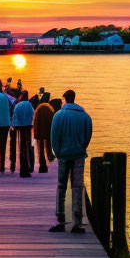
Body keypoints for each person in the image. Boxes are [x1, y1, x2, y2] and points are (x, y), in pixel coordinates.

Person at [49, 89, 92, 233]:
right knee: (77, 187)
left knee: (62, 187)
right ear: (74, 98)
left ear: (64, 99)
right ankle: (77, 222)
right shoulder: (85, 117)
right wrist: (81, 148)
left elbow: (54, 137)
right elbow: (88, 136)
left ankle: (61, 221)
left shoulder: (58, 116)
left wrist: (58, 152)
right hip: (79, 155)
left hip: (63, 156)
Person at [11, 91, 35, 177]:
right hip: (28, 128)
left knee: (21, 148)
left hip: (20, 128)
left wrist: (14, 126)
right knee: (28, 147)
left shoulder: (18, 106)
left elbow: (14, 117)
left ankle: (22, 169)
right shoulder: (30, 106)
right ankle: (28, 168)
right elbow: (33, 116)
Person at [33, 93, 55, 173]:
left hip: (39, 131)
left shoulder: (38, 108)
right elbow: (52, 121)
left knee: (40, 149)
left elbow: (34, 121)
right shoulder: (50, 109)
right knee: (49, 146)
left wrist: (35, 132)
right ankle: (50, 158)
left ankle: (42, 166)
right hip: (48, 131)